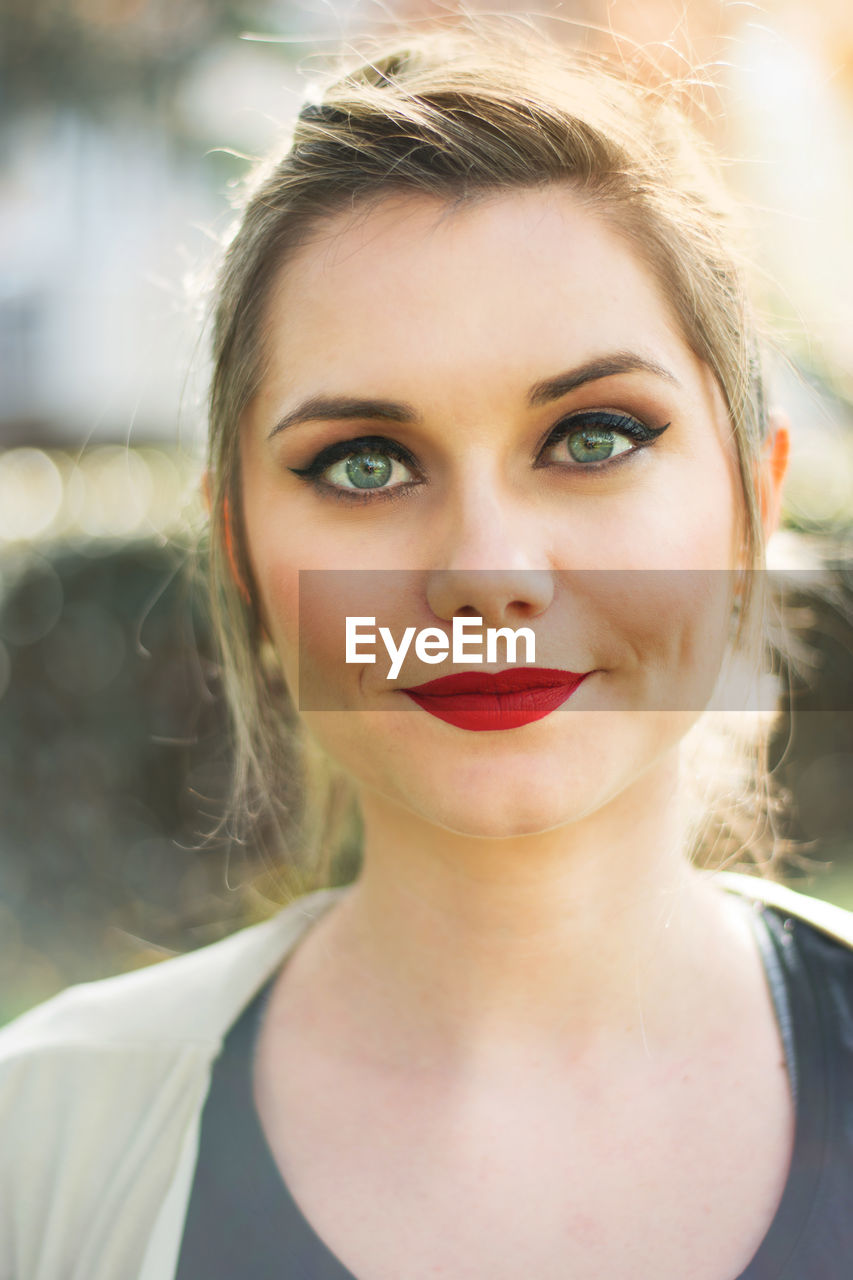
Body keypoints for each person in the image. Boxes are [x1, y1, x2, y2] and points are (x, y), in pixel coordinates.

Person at [2, 23, 852, 1280]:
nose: (488, 569)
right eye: (363, 462)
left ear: (752, 501)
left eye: (593, 435)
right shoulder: (39, 1143)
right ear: (238, 549)